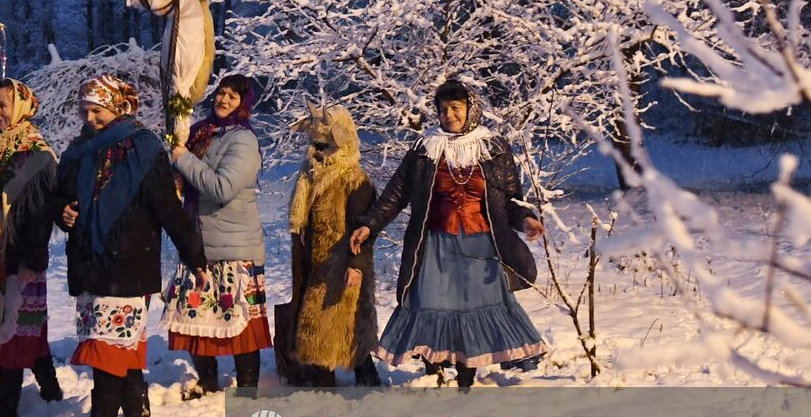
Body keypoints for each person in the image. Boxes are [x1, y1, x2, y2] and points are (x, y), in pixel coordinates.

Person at [349, 78, 546, 389]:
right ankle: (436, 370)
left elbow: (511, 200)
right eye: (442, 109)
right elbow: (395, 195)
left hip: (481, 246)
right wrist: (369, 224)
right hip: (435, 245)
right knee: (432, 304)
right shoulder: (425, 150)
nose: (449, 115)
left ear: (471, 109)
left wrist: (527, 221)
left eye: (456, 108)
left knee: (472, 309)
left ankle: (466, 378)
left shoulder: (493, 149)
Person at [51, 75, 206, 417]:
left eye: (97, 110)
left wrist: (195, 257)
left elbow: (168, 210)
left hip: (130, 264)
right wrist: (63, 213)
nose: (90, 119)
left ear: (119, 106)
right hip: (90, 263)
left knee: (108, 353)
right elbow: (60, 197)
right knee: (121, 347)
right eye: (85, 111)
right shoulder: (78, 151)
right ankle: (137, 415)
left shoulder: (144, 150)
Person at [0, 78, 63, 417]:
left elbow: (39, 216)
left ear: (21, 107)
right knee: (26, 332)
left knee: (13, 336)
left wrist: (29, 263)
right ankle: (51, 390)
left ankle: (8, 409)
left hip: (19, 258)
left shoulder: (36, 155)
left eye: (4, 105)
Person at [165, 74, 271, 397]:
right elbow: (185, 172)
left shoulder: (244, 140)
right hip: (198, 239)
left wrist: (183, 159)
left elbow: (223, 188)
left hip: (234, 244)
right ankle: (208, 380)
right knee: (196, 314)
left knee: (241, 322)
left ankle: (248, 387)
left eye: (233, 96)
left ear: (244, 103)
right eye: (221, 93)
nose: (223, 100)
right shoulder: (200, 133)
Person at [284, 103, 382, 387]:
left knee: (347, 322)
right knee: (323, 324)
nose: (319, 152)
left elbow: (364, 230)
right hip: (315, 262)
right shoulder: (309, 178)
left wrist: (356, 265)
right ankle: (323, 375)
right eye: (316, 144)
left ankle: (357, 375)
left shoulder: (355, 180)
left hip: (341, 262)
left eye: (326, 145)